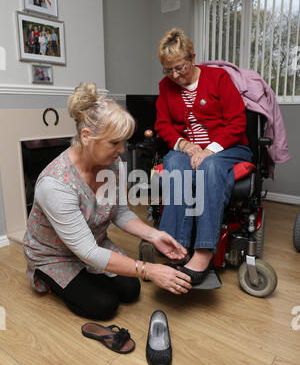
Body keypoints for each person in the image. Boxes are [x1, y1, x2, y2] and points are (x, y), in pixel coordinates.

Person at [23, 83, 192, 320]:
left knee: (131, 290)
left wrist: (154, 235)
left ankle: (88, 277)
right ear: (86, 136)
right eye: (114, 143)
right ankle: (44, 276)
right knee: (104, 305)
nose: (122, 150)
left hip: (91, 242)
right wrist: (149, 270)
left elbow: (120, 212)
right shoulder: (55, 185)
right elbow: (89, 252)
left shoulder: (112, 165)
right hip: (54, 254)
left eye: (123, 141)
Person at [154, 28, 253, 283]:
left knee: (209, 166)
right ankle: (176, 246)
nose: (175, 76)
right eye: (168, 70)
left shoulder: (218, 78)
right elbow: (163, 125)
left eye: (180, 68)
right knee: (174, 164)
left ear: (192, 58)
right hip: (189, 150)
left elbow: (237, 122)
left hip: (228, 149)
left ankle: (204, 250)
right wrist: (185, 146)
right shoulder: (166, 87)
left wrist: (209, 150)